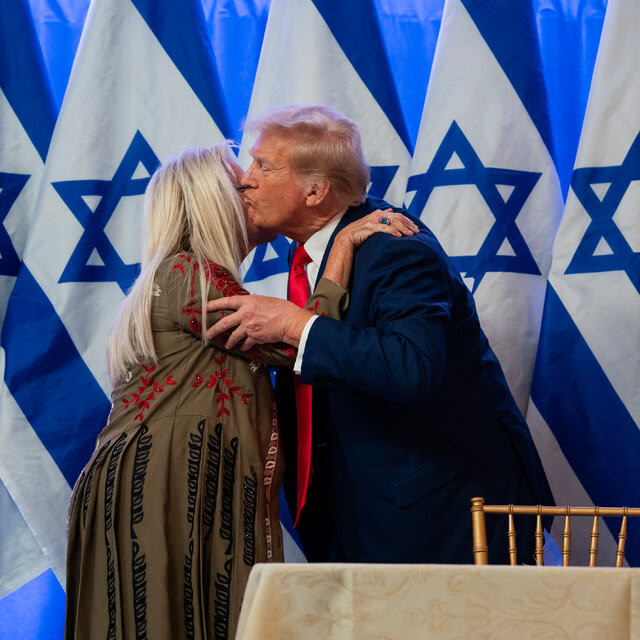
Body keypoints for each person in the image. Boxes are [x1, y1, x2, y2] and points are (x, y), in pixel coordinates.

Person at [64, 143, 417, 640]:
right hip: (163, 486)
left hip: (177, 481)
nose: (253, 184)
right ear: (213, 202)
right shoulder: (191, 273)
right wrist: (341, 250)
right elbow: (298, 339)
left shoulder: (190, 277)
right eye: (241, 181)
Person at [207, 105, 555, 565]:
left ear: (316, 191)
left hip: (442, 518)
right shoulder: (318, 250)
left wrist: (293, 324)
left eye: (263, 167)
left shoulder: (395, 246)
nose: (244, 180)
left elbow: (411, 368)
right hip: (352, 512)